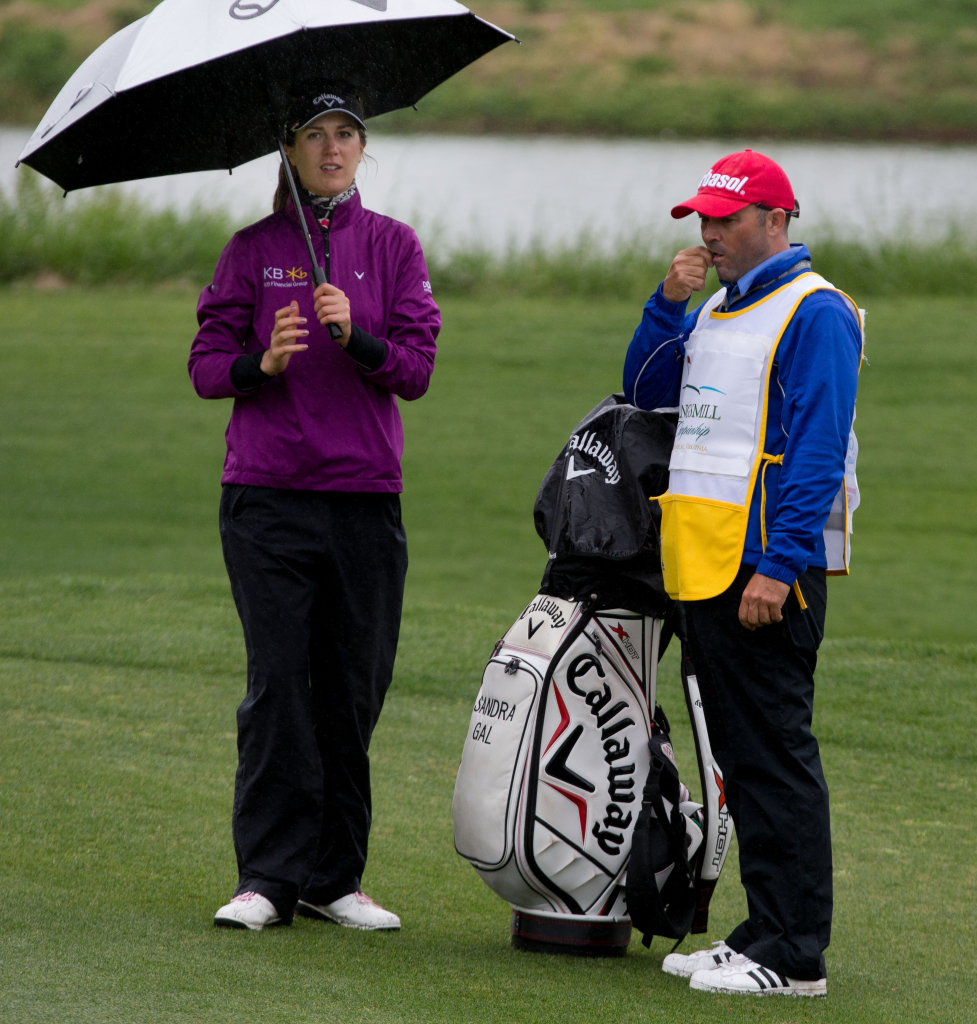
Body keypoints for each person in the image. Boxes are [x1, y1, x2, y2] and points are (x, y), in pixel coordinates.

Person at [188, 88, 439, 932]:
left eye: (347, 135)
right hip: (268, 498)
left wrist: (353, 338)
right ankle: (266, 877)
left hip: (365, 500)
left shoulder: (392, 246)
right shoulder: (253, 250)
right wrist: (262, 362)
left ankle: (334, 879)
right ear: (288, 151)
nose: (333, 149)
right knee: (278, 688)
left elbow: (413, 367)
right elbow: (205, 365)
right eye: (314, 136)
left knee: (350, 690)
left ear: (363, 150)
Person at [623, 150, 862, 997]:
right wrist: (667, 304)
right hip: (702, 566)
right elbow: (643, 394)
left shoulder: (815, 310)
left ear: (775, 220)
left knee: (773, 758)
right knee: (742, 760)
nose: (709, 233)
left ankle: (793, 957)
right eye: (703, 219)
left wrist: (779, 563)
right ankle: (762, 931)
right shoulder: (718, 306)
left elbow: (816, 451)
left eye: (726, 219)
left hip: (764, 575)